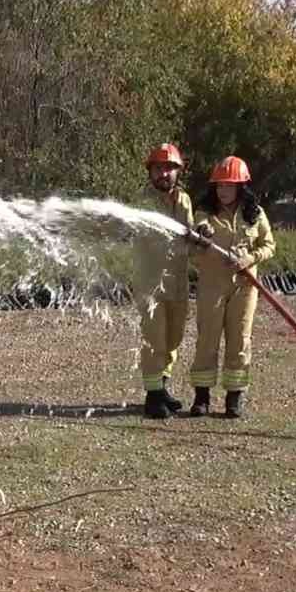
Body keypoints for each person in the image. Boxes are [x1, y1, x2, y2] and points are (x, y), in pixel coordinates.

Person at [189, 155, 275, 419]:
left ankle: (234, 399)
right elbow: (198, 230)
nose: (223, 190)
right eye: (220, 185)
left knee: (240, 340)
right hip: (211, 286)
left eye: (229, 185)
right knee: (207, 340)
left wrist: (249, 258)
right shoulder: (205, 212)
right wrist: (203, 234)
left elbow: (269, 245)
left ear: (241, 187)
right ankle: (201, 398)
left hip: (244, 288)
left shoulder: (256, 214)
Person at [132, 142, 195, 420]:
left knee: (173, 338)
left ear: (178, 172)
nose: (164, 174)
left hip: (177, 282)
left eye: (170, 168)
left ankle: (163, 386)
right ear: (150, 172)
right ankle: (153, 396)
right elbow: (151, 238)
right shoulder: (142, 202)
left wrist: (199, 233)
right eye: (159, 168)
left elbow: (189, 234)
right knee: (154, 339)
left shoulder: (184, 200)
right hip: (151, 284)